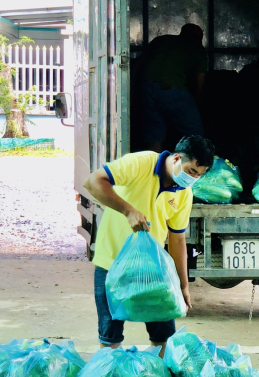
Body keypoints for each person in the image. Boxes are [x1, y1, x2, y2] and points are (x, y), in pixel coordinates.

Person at [83, 135, 215, 355]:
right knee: (110, 336)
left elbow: (177, 238)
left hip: (153, 271)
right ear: (176, 158)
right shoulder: (141, 163)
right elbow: (93, 182)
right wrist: (128, 210)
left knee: (164, 336)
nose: (193, 179)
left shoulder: (184, 193)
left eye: (199, 176)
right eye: (192, 171)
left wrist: (182, 285)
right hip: (112, 264)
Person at [138, 24, 208, 152]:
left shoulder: (161, 40)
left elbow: (139, 64)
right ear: (199, 39)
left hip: (147, 88)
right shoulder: (198, 49)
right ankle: (197, 165)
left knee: (155, 136)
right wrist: (198, 107)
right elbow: (200, 84)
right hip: (172, 90)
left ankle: (155, 168)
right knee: (196, 136)